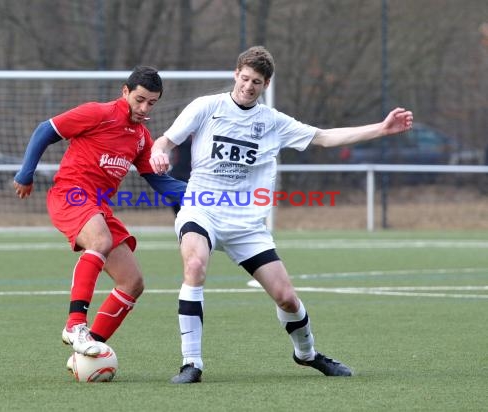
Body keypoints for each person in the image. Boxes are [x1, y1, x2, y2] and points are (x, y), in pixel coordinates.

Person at [149, 46, 413, 384]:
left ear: (266, 84)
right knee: (195, 265)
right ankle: (192, 364)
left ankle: (307, 354)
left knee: (286, 298)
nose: (247, 86)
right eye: (244, 78)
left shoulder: (273, 122)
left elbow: (324, 137)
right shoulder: (206, 107)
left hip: (247, 224)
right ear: (235, 74)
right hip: (202, 208)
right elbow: (165, 141)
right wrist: (159, 153)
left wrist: (381, 128)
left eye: (256, 82)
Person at [13, 66, 186, 362]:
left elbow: (158, 181)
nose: (144, 108)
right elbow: (46, 130)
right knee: (101, 241)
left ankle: (88, 351)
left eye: (151, 103)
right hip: (70, 193)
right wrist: (26, 173)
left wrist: (203, 194)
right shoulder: (98, 113)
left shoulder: (142, 138)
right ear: (125, 92)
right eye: (139, 100)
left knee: (132, 282)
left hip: (98, 206)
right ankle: (75, 325)